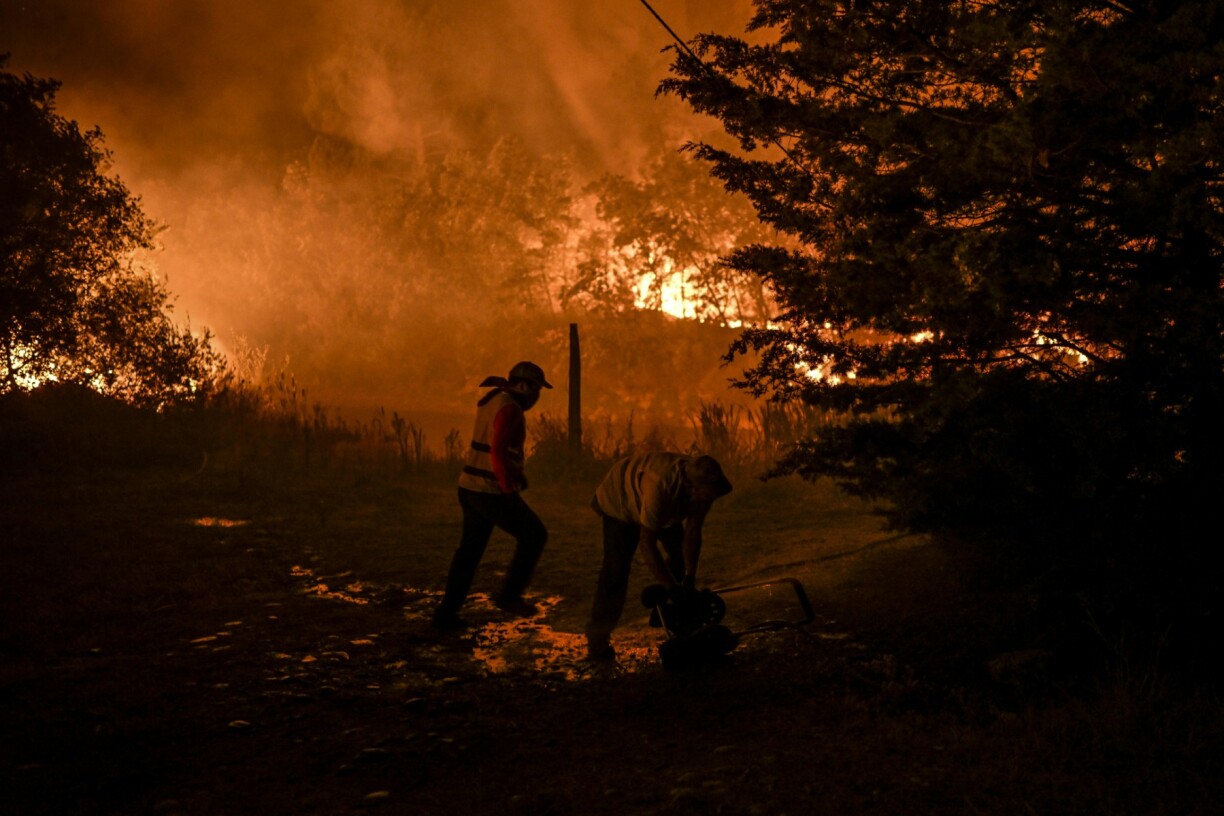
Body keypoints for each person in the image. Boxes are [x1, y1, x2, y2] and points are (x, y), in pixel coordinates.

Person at [432, 361, 552, 631]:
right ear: (523, 386)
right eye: (535, 389)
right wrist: (508, 488)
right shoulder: (510, 408)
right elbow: (497, 452)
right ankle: (510, 597)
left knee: (469, 553)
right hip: (489, 490)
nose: (536, 396)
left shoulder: (494, 399)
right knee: (534, 535)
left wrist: (515, 474)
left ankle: (445, 615)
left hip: (470, 486)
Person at [584, 451, 733, 660]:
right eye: (706, 494)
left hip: (662, 508)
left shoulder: (703, 492)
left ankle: (676, 620)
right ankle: (598, 639)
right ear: (691, 487)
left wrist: (689, 579)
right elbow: (647, 543)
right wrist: (672, 588)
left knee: (679, 558)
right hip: (620, 499)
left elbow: (692, 532)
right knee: (616, 571)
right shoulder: (660, 487)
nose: (709, 500)